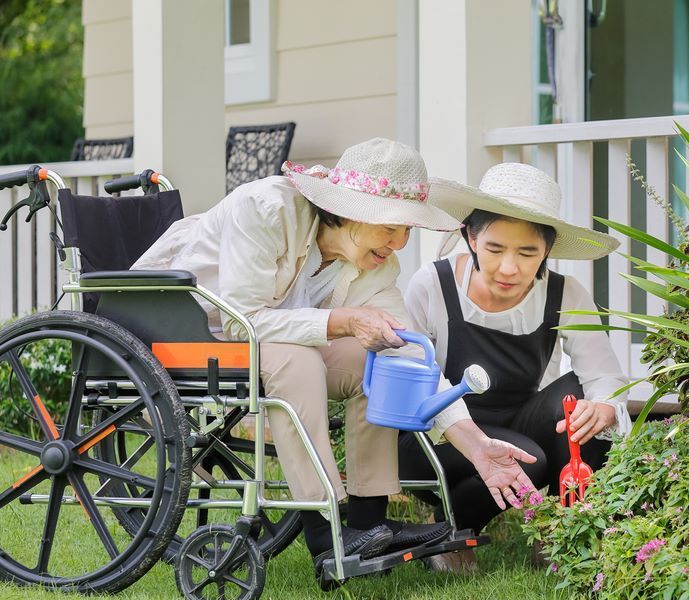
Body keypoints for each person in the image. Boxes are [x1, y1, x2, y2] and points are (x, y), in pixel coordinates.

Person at [132, 138, 538, 577]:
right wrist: (341, 321)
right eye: (392, 227)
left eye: (408, 230)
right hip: (186, 332)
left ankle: (368, 520)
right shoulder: (267, 209)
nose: (400, 242)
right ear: (350, 211)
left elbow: (413, 354)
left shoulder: (375, 265)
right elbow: (241, 319)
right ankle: (326, 533)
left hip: (266, 343)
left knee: (383, 361)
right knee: (299, 360)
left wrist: (476, 445)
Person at [398, 162, 631, 572]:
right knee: (531, 459)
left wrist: (605, 408)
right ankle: (453, 530)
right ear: (470, 236)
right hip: (437, 436)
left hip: (518, 421)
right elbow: (414, 381)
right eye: (494, 249)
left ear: (548, 249)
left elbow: (604, 375)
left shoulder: (565, 293)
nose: (510, 268)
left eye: (527, 253)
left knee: (580, 401)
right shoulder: (432, 285)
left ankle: (564, 532)